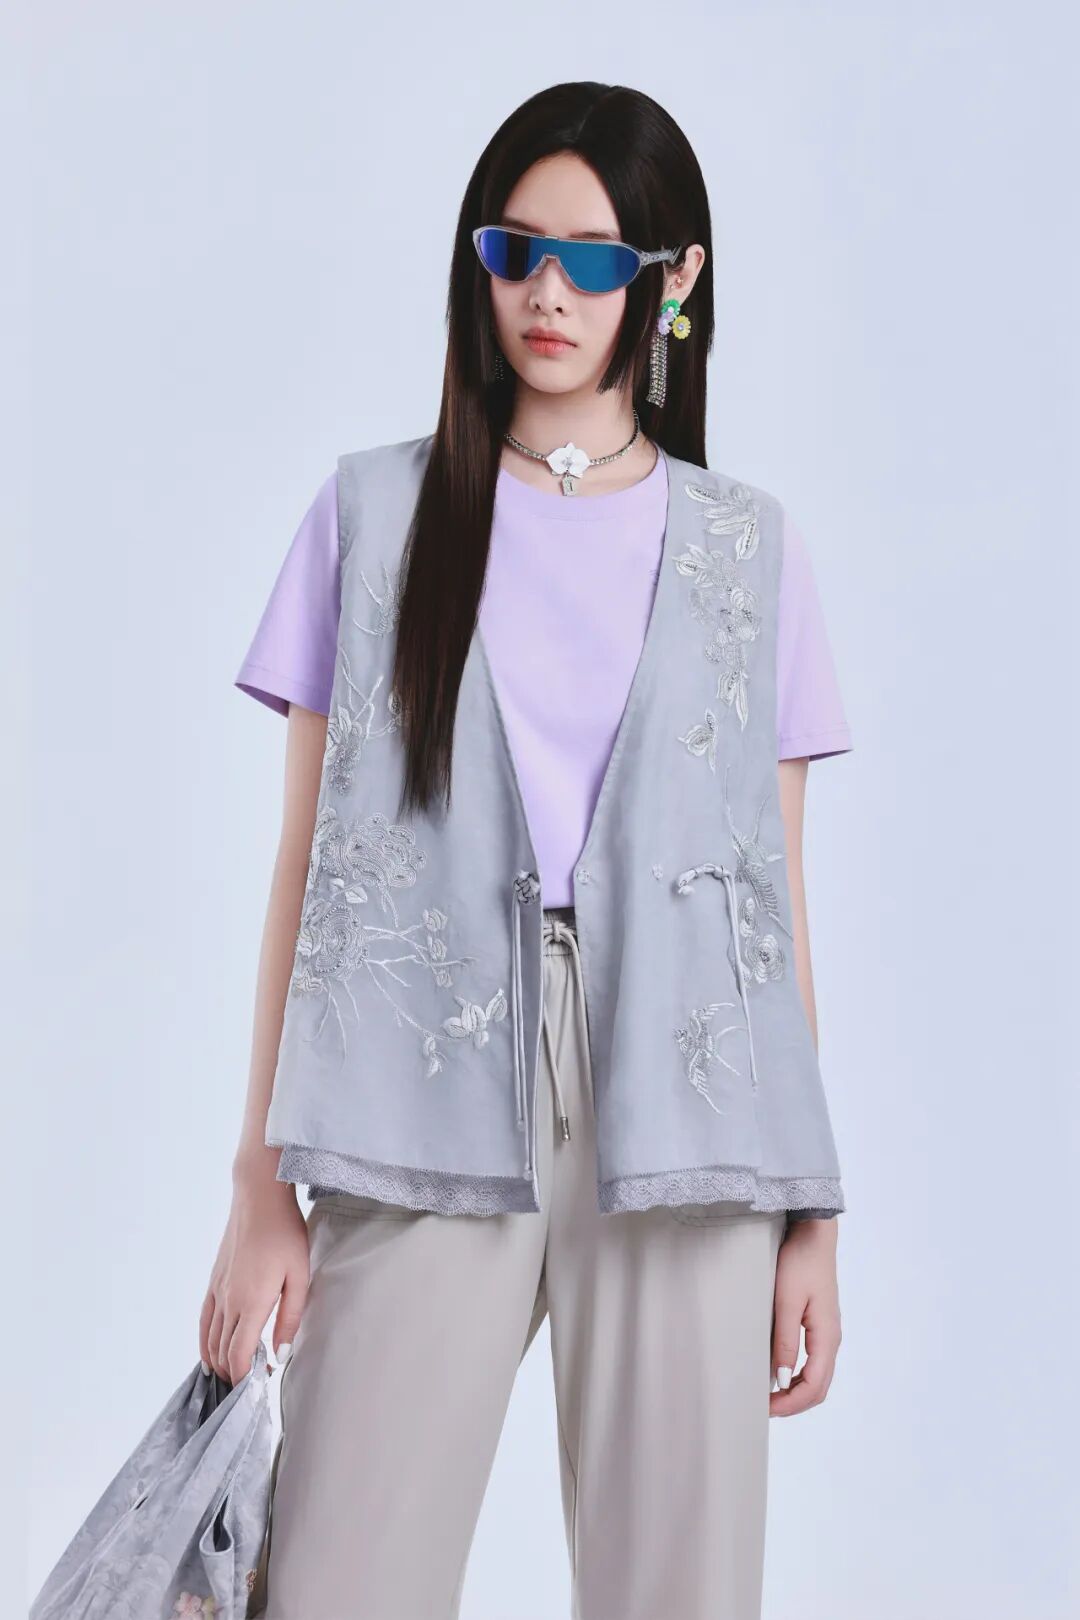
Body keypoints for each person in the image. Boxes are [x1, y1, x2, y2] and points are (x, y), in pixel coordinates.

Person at [206, 80, 852, 1620]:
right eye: (516, 252)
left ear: (671, 283)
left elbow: (772, 909)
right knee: (340, 1583)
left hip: (690, 1126)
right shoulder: (373, 516)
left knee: (680, 1594)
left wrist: (813, 1211)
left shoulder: (748, 552)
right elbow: (304, 871)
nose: (548, 294)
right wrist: (258, 1184)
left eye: (595, 261)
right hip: (412, 1092)